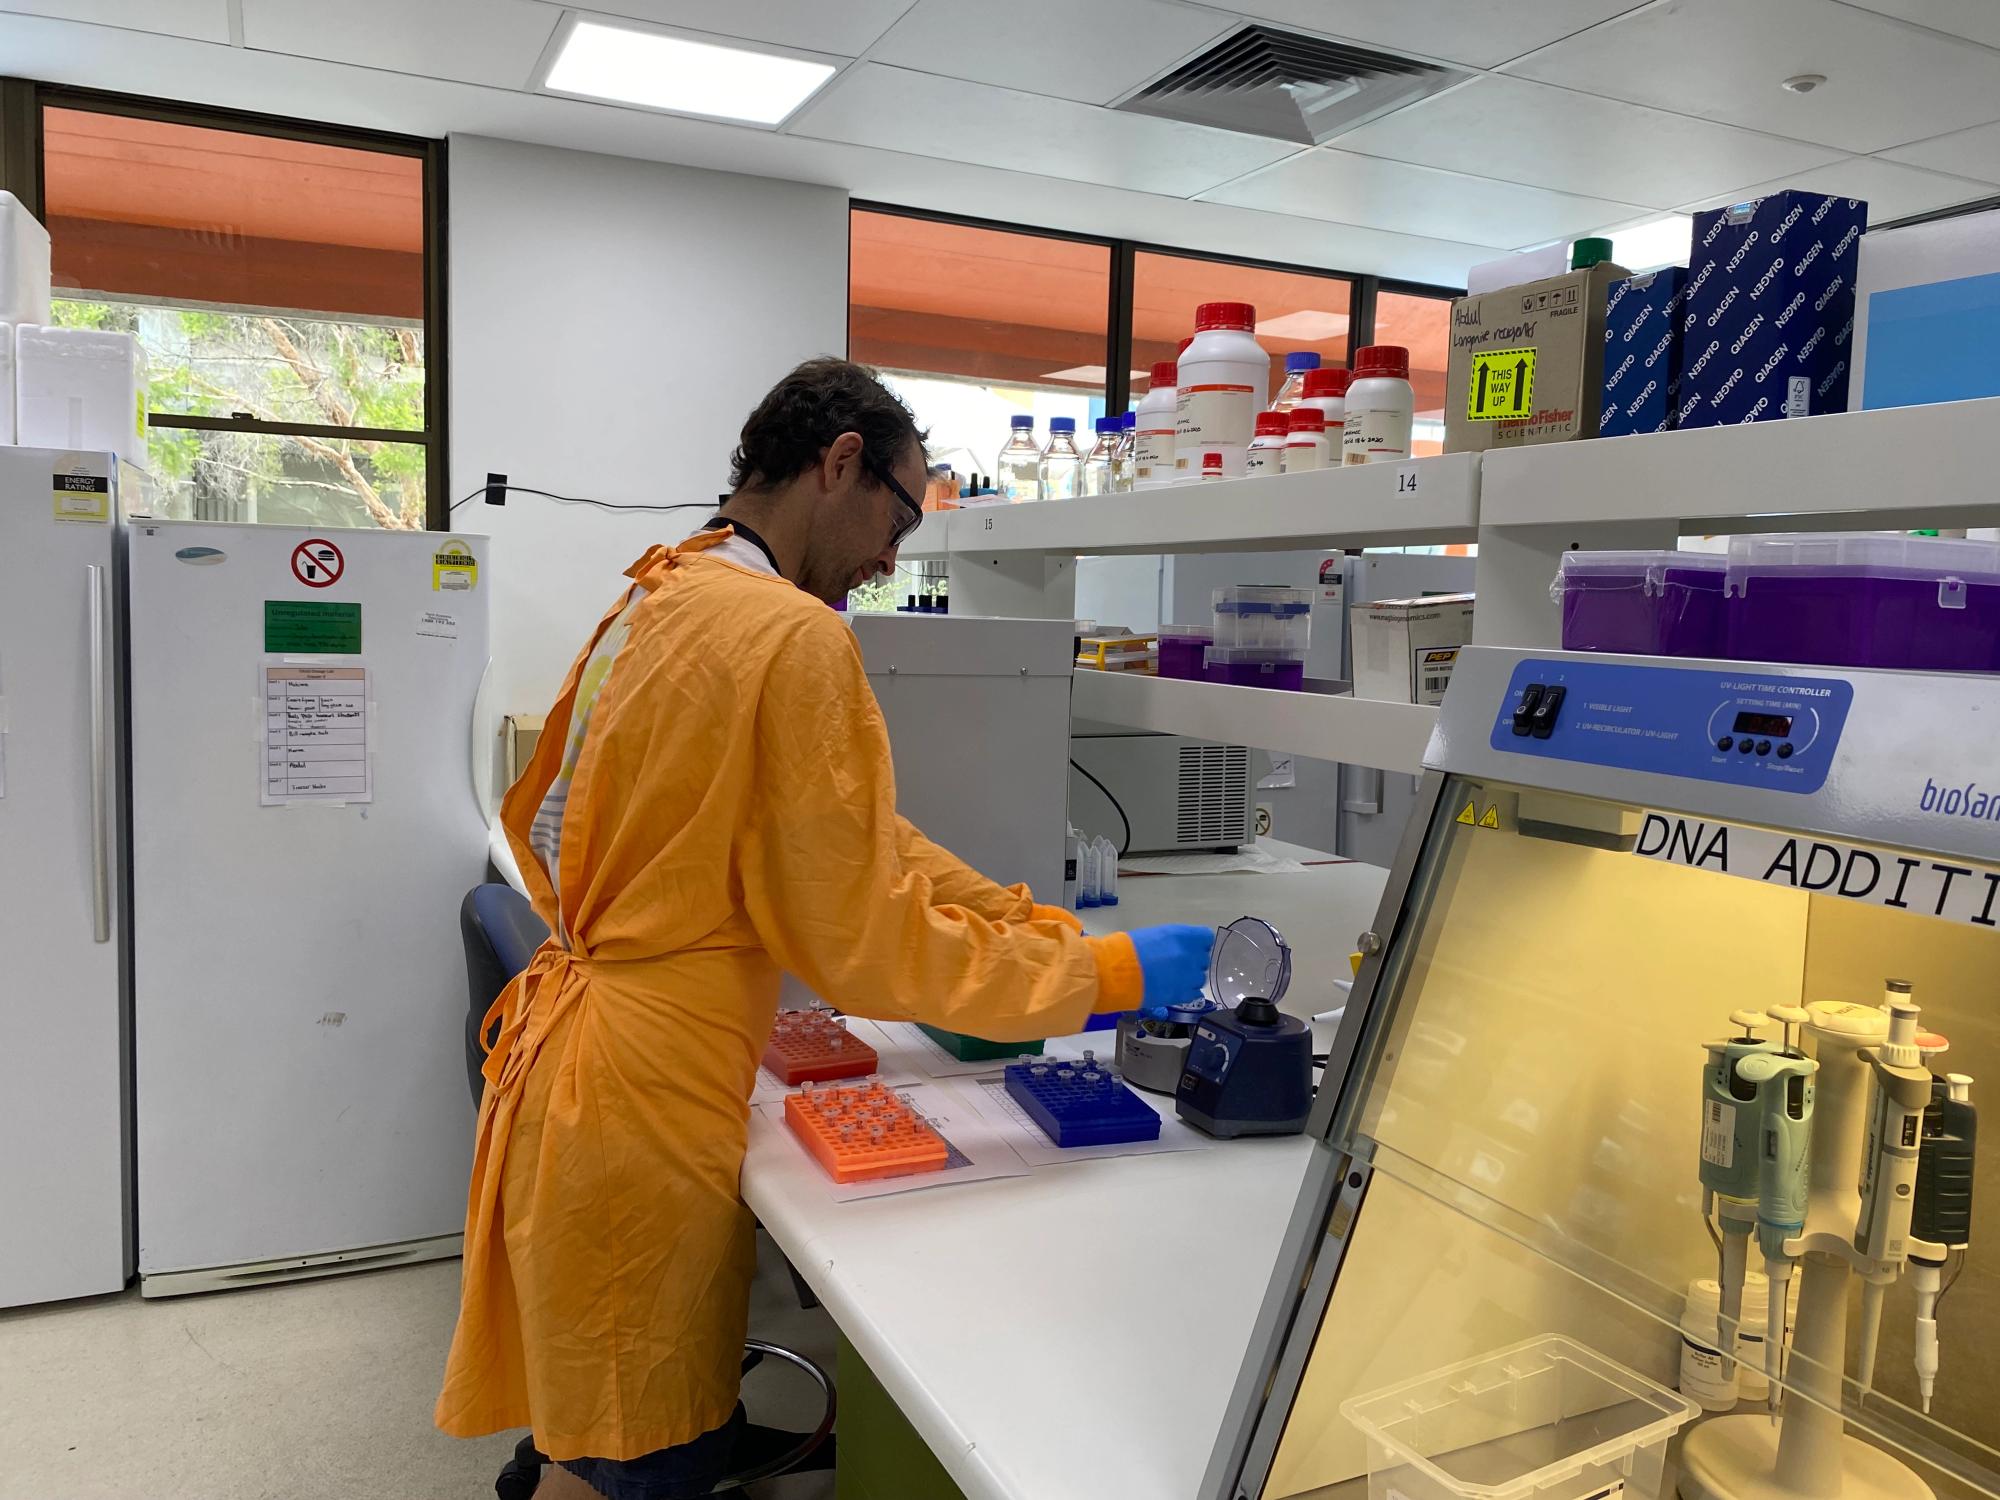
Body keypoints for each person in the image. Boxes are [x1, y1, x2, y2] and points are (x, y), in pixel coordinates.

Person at [436, 356, 1214, 1499]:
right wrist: (1093, 974)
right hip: (643, 1100)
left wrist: (1007, 913)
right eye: (898, 516)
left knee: (611, 1423)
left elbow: (850, 835)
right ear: (839, 462)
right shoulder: (790, 636)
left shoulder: (663, 592)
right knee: (630, 1459)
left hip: (594, 1067)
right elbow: (859, 942)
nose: (891, 559)